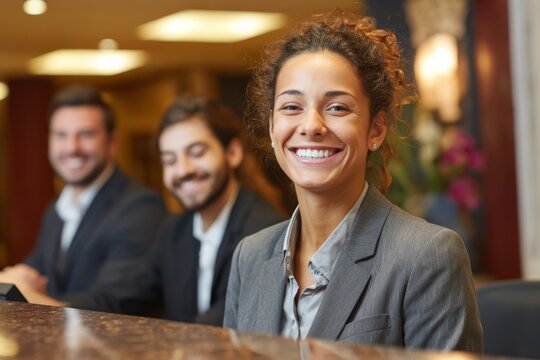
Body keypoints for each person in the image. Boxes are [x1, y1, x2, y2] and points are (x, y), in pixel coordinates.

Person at [223, 12, 483, 352]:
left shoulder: (427, 255)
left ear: (375, 129)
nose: (311, 125)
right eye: (291, 106)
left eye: (337, 107)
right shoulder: (250, 256)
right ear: (273, 128)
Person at [93, 95, 285, 325]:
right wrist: (56, 307)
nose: (183, 170)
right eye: (170, 160)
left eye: (196, 153)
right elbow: (127, 295)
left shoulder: (265, 232)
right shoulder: (174, 230)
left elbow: (225, 323)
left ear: (232, 153)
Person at [0, 85, 167, 307]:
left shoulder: (141, 208)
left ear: (112, 143)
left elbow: (112, 307)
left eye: (86, 134)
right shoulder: (57, 208)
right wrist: (19, 279)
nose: (72, 147)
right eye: (61, 135)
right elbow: (33, 269)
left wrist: (20, 292)